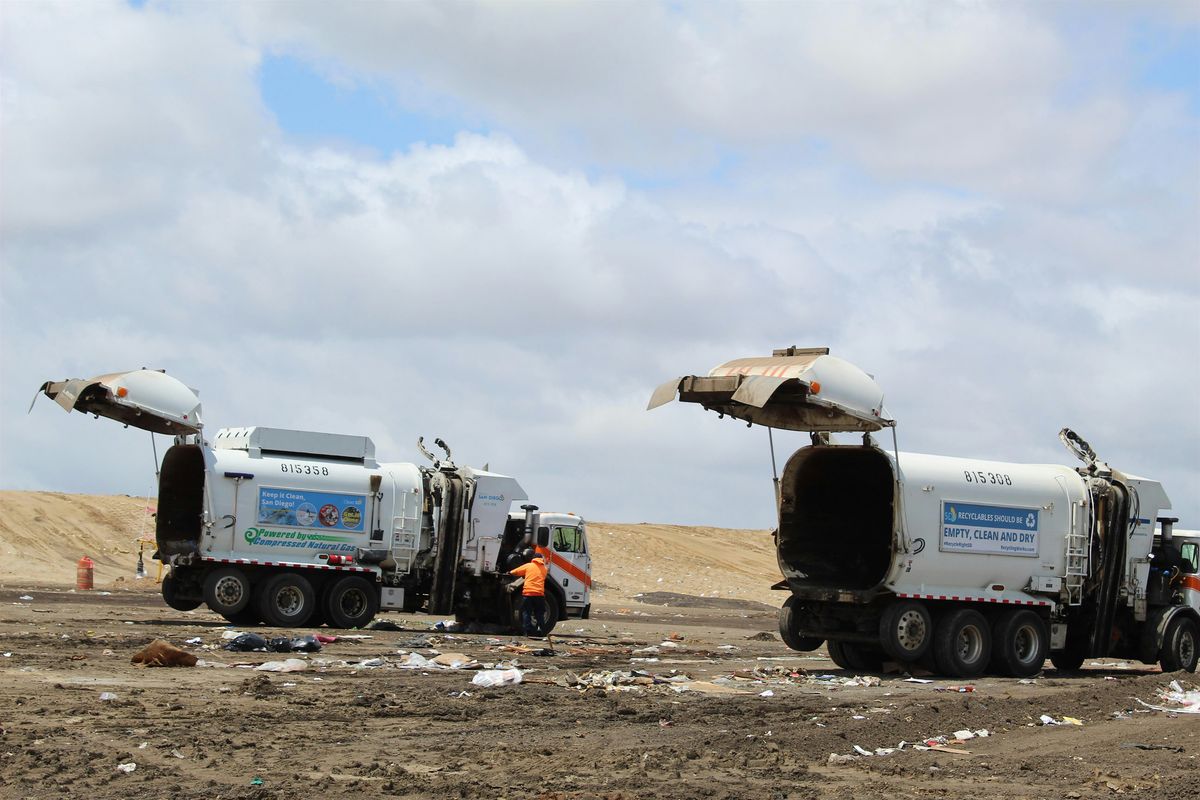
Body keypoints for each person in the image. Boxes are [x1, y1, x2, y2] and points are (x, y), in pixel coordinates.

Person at [508, 552, 549, 636]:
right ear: (541, 559)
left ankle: (528, 631)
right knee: (539, 613)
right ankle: (541, 630)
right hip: (539, 595)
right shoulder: (544, 569)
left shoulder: (528, 566)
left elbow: (516, 571)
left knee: (527, 612)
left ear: (533, 559)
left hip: (528, 594)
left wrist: (510, 572)